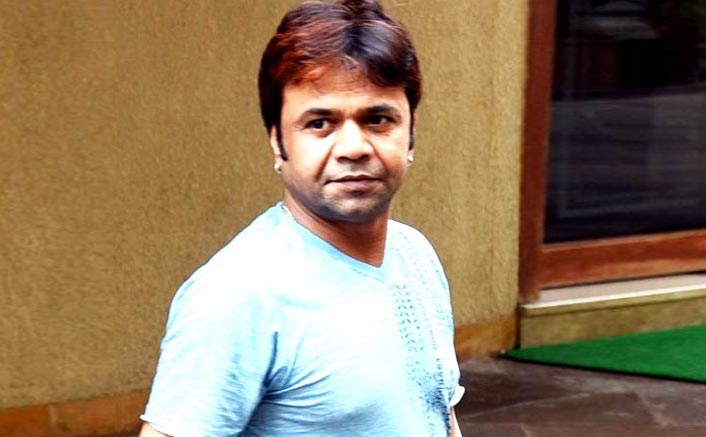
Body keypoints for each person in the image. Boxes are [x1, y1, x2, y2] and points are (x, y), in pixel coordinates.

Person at [139, 0, 463, 435]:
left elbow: (437, 411)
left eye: (377, 119)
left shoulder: (414, 254)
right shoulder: (238, 295)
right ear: (277, 142)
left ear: (410, 133)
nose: (353, 147)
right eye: (320, 124)